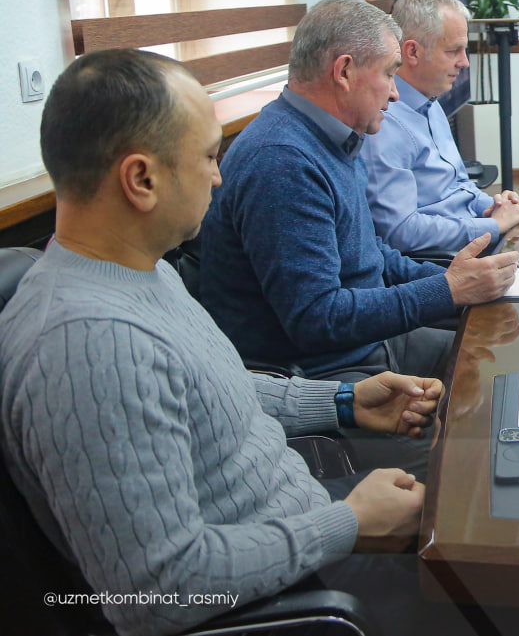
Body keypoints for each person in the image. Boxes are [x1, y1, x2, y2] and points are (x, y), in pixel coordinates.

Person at [0, 49, 440, 636]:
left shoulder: (142, 270)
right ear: (141, 179)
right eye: (209, 156)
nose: (219, 176)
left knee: (474, 486)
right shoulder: (90, 343)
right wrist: (348, 525)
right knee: (517, 583)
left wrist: (343, 402)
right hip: (301, 593)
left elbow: (211, 390)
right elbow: (158, 592)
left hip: (301, 516)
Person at [199, 0, 519, 382]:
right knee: (491, 386)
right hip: (328, 369)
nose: (396, 93)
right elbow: (318, 319)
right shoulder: (283, 161)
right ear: (345, 72)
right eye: (389, 74)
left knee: (503, 356)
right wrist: (447, 290)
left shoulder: (331, 138)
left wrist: (453, 279)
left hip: (367, 341)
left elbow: (371, 255)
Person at [364, 0, 519, 254]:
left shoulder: (431, 104)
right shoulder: (382, 121)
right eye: (453, 51)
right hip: (441, 263)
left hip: (471, 240)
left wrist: (495, 207)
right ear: (412, 52)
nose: (464, 62)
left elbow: (459, 188)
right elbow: (400, 232)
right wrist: (493, 225)